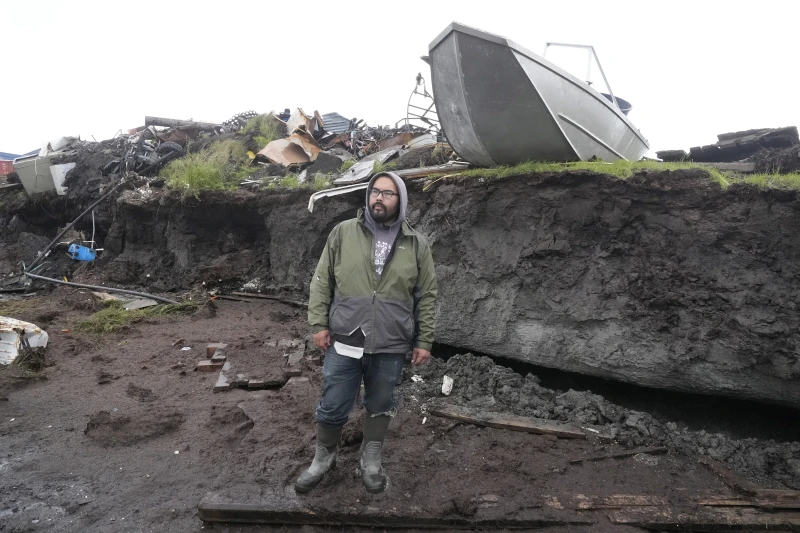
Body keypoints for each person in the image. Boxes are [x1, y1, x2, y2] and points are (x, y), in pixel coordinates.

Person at [296, 171, 438, 494]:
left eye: (388, 194)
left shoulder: (416, 244)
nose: (379, 198)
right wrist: (318, 324)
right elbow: (322, 281)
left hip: (390, 342)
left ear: (400, 201)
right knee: (333, 401)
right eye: (375, 191)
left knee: (381, 401)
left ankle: (370, 459)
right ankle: (323, 457)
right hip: (345, 336)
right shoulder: (343, 233)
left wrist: (424, 340)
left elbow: (426, 295)